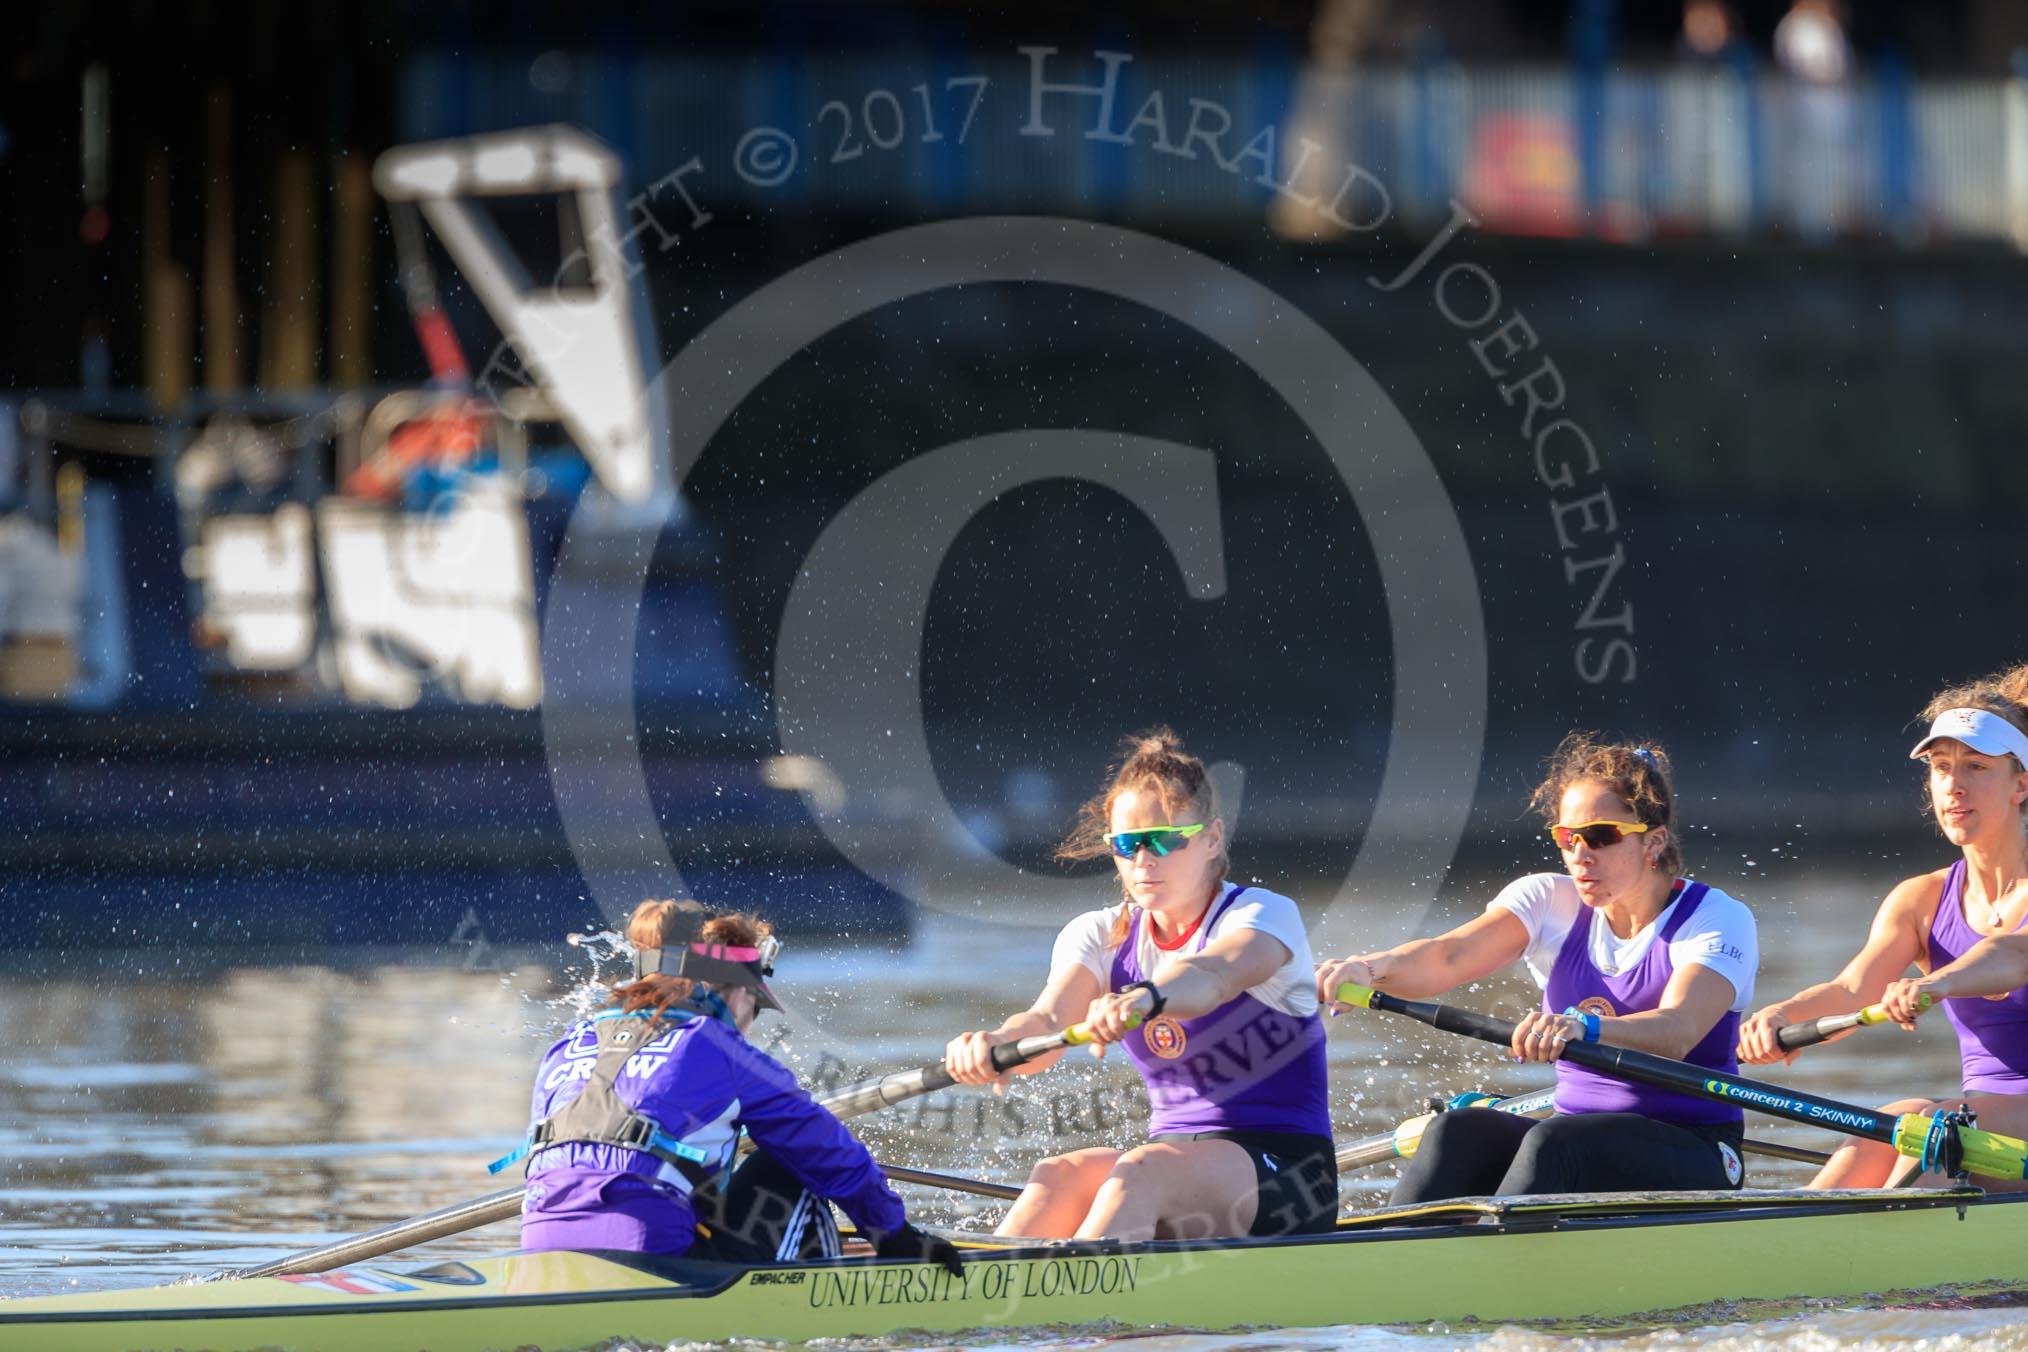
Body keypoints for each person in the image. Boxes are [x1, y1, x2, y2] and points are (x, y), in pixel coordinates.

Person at [1317, 736, 1759, 1202]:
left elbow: (1678, 1030)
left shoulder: (1716, 918)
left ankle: (1486, 1260)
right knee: (1456, 1130)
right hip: (1579, 1140)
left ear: (1654, 841)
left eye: (1601, 836)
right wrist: (1368, 968)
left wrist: (1581, 1027)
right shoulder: (1549, 900)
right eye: (1567, 838)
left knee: (1552, 1142)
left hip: (1696, 1148)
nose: (1580, 855)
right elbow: (1446, 957)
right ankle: (1395, 1259)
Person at [944, 729, 1337, 1241]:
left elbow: (1213, 976)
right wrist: (997, 1044)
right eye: (1127, 844)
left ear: (1212, 838)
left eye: (1165, 840)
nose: (1143, 861)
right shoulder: (1098, 934)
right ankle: (975, 1303)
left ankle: (1055, 1314)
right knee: (1057, 1174)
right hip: (1175, 1162)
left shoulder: (1263, 915)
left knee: (1140, 1173)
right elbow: (1045, 1024)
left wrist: (1144, 997)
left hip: (1289, 1173)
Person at [503, 899, 961, 1270]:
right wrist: (895, 1234)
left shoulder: (570, 1043)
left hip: (543, 1251)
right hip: (653, 1257)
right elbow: (829, 1153)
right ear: (734, 989)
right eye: (756, 1005)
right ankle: (834, 1294)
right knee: (787, 1166)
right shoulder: (716, 1045)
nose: (751, 1023)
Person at [1741, 668, 2028, 1190]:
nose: (1955, 786)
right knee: (1883, 1128)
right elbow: (1853, 991)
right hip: (1977, 1118)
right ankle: (1777, 1246)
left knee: (1933, 1132)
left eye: (1976, 767)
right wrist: (1781, 1017)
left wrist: (1937, 983)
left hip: (1984, 1125)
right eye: (1941, 768)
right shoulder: (1920, 899)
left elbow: (2012, 955)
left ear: (2021, 783)